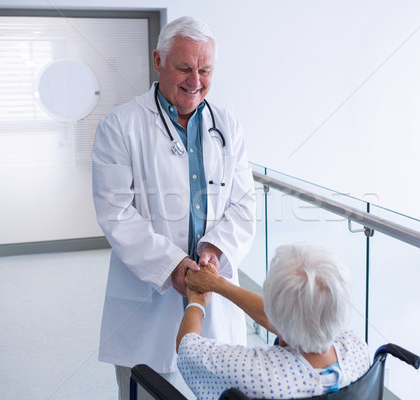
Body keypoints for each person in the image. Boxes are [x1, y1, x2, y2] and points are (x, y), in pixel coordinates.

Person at [92, 16, 256, 399]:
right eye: (184, 67)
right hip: (149, 302)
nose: (195, 81)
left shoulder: (228, 126)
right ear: (158, 61)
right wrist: (173, 266)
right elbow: (116, 214)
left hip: (214, 298)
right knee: (153, 390)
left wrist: (215, 251)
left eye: (205, 69)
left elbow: (245, 202)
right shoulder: (120, 126)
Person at [177, 244, 370, 400]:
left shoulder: (252, 372)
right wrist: (218, 284)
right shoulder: (358, 350)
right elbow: (296, 318)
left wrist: (197, 300)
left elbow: (187, 346)